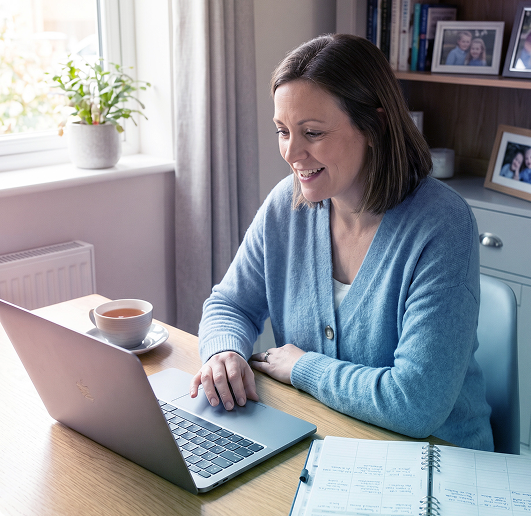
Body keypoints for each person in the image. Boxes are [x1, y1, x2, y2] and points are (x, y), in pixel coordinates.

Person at [191, 34, 494, 452]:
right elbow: (230, 304)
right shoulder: (287, 204)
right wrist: (223, 352)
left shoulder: (442, 225)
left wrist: (303, 367)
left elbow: (416, 404)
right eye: (283, 131)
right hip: (325, 440)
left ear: (375, 126)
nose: (292, 153)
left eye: (312, 132)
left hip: (440, 459)